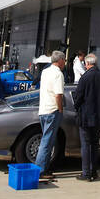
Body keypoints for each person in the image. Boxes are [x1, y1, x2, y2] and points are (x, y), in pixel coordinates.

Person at [73, 54, 100, 181]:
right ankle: (94, 171)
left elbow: (78, 97)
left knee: (85, 144)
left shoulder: (84, 78)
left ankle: (86, 173)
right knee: (95, 145)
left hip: (85, 116)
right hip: (99, 117)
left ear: (87, 64)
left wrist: (77, 107)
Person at [34, 51, 67, 180]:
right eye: (64, 60)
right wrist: (60, 109)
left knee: (46, 140)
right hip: (53, 110)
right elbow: (58, 94)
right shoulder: (58, 74)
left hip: (43, 109)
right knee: (47, 142)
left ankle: (43, 168)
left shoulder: (45, 71)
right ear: (60, 61)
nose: (65, 63)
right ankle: (41, 170)